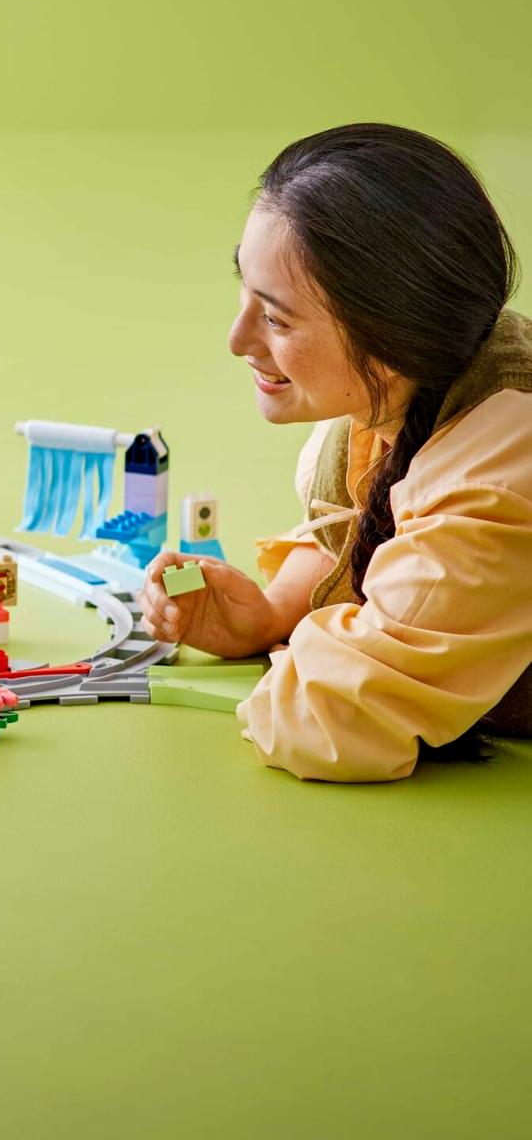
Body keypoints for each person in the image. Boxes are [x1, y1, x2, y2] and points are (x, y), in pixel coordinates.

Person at [139, 124, 532, 781]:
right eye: (245, 290)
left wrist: (304, 658)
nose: (238, 339)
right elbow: (367, 530)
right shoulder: (400, 391)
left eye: (275, 317)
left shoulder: (495, 476)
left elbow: (328, 717)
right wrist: (271, 615)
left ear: (389, 337)